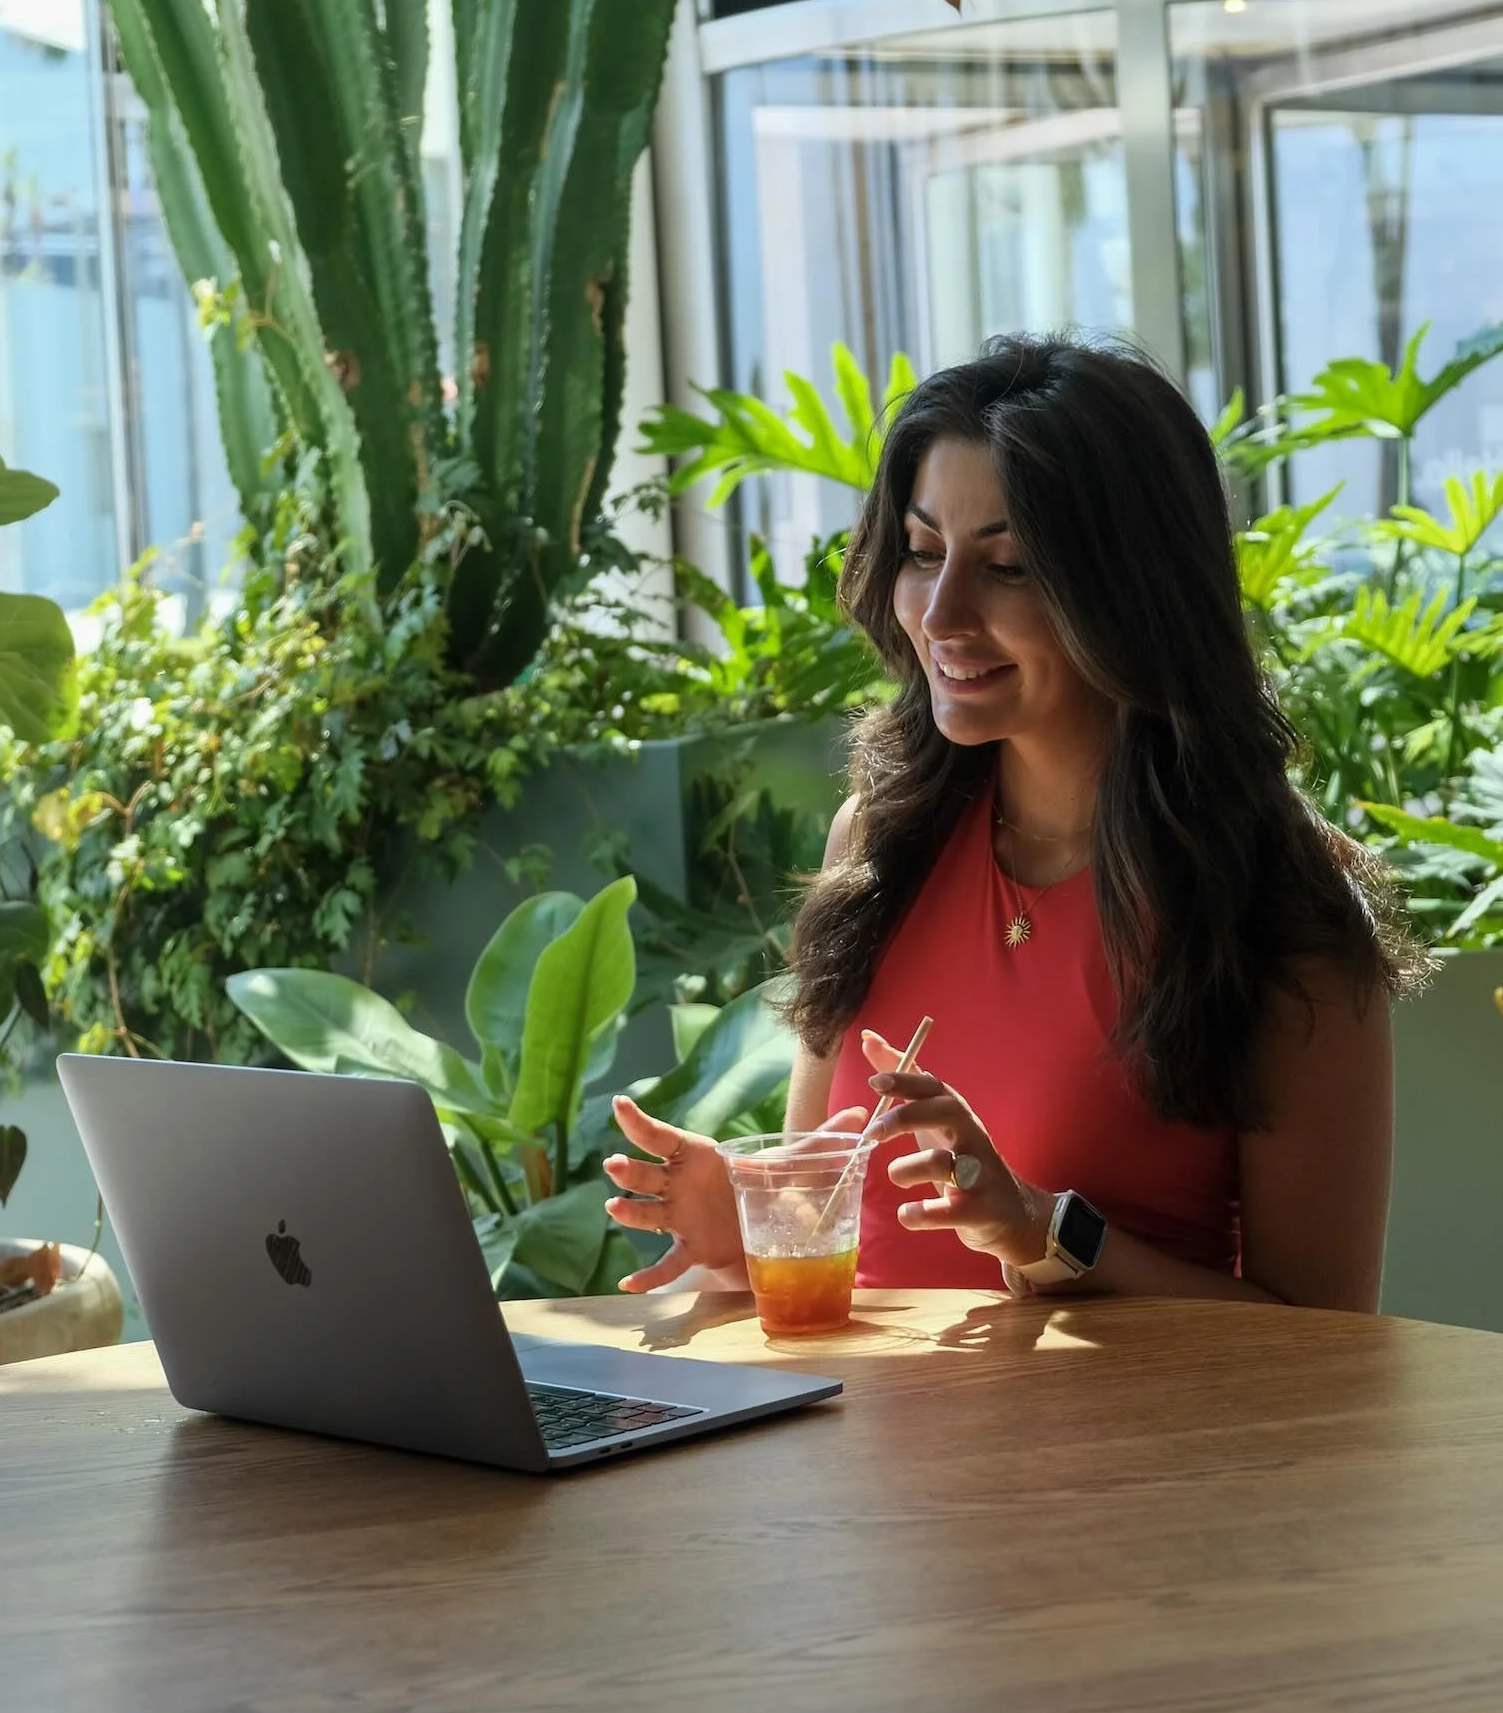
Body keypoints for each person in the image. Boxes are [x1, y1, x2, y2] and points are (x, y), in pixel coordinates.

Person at [604, 334, 1411, 1311]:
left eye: (1010, 565)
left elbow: (1330, 1349)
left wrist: (1046, 1232)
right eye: (922, 552)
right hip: (857, 1451)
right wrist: (743, 1221)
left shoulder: (1279, 907)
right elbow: (836, 1221)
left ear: (1132, 591)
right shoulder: (877, 846)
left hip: (1129, 1459)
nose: (941, 613)